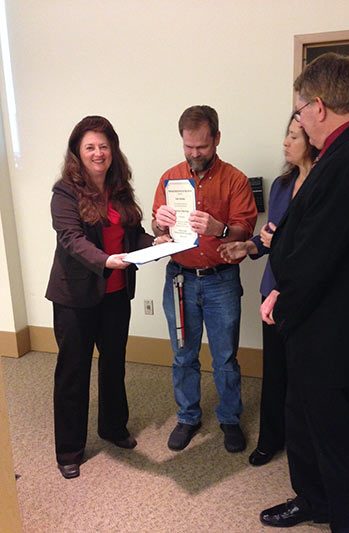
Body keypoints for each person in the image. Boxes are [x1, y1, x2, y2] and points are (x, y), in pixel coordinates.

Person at [258, 53, 349, 532]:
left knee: (342, 442)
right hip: (316, 328)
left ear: (317, 106)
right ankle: (313, 500)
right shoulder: (344, 153)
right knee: (305, 421)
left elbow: (317, 255)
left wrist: (283, 296)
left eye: (298, 110)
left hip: (332, 332)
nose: (297, 120)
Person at [46, 115, 166, 479]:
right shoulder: (65, 193)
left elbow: (133, 236)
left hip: (116, 293)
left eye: (103, 146)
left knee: (114, 364)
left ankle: (112, 427)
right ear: (77, 153)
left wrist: (155, 242)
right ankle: (69, 448)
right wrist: (106, 260)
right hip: (76, 297)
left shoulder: (120, 189)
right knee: (73, 371)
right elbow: (71, 240)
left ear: (112, 149)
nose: (98, 153)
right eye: (90, 147)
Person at [152, 105, 257, 453]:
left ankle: (229, 418)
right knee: (183, 354)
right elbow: (157, 226)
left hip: (220, 279)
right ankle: (188, 417)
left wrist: (220, 229)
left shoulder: (235, 180)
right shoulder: (170, 178)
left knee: (225, 356)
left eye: (202, 147)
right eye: (188, 147)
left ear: (216, 139)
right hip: (180, 279)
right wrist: (160, 224)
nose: (195, 154)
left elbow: (244, 230)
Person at [218, 114, 317, 466]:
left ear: (315, 138)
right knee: (274, 370)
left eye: (293, 136)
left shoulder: (324, 185)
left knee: (305, 375)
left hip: (305, 293)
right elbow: (269, 237)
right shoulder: (280, 185)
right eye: (286, 135)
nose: (285, 142)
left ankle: (306, 442)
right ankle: (271, 439)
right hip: (272, 289)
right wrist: (248, 248)